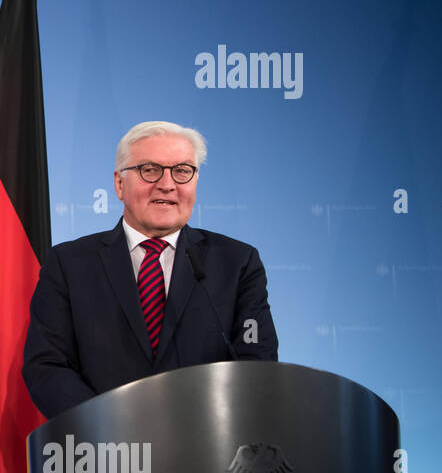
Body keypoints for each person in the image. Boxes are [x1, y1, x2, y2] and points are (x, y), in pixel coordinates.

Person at [22, 121, 278, 418]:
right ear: (119, 183)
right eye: (150, 170)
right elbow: (47, 366)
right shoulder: (69, 263)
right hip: (105, 453)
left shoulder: (238, 263)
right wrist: (108, 426)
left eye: (182, 171)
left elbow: (256, 362)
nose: (167, 184)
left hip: (203, 452)